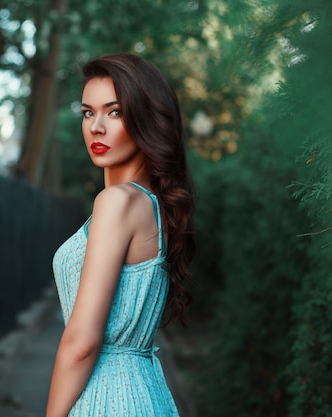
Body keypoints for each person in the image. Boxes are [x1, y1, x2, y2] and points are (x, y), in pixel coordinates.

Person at [47, 53, 196, 417]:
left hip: (107, 400)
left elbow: (82, 342)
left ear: (146, 118)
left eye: (115, 112)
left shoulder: (117, 202)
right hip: (146, 394)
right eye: (88, 112)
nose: (97, 126)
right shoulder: (151, 204)